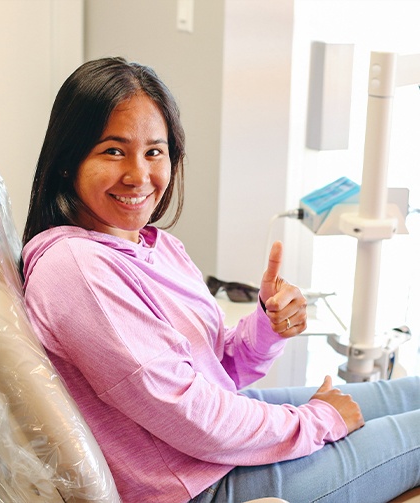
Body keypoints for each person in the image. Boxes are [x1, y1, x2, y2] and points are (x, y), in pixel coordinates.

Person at [21, 57, 420, 503]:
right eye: (113, 151)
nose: (139, 175)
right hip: (201, 485)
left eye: (155, 152)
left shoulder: (154, 247)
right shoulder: (78, 269)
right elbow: (193, 418)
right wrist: (319, 421)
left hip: (212, 453)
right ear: (66, 160)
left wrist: (267, 324)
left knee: (410, 392)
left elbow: (221, 370)